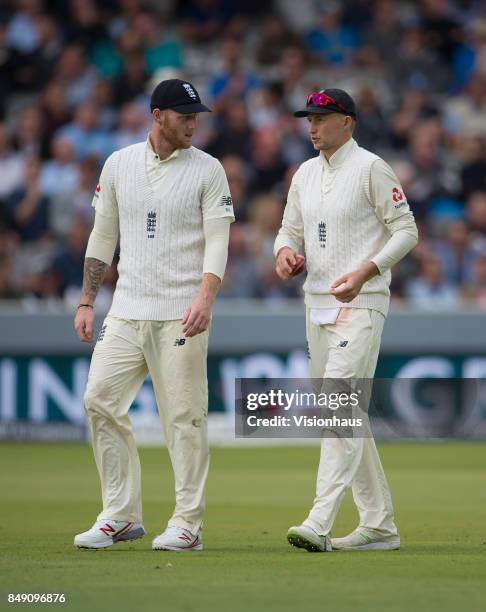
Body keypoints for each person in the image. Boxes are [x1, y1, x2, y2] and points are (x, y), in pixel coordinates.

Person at [73, 79, 234, 551]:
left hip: (181, 311)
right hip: (126, 310)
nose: (193, 124)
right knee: (99, 399)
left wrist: (205, 298)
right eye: (185, 116)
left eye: (196, 117)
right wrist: (87, 301)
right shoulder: (119, 164)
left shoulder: (209, 169)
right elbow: (103, 236)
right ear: (158, 115)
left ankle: (188, 523)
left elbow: (218, 240)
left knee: (184, 417)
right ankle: (120, 515)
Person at [274, 89, 418, 552]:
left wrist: (367, 271)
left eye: (321, 118)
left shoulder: (371, 167)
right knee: (345, 413)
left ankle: (319, 520)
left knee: (338, 405)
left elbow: (407, 230)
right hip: (316, 304)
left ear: (348, 122)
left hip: (362, 301)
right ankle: (379, 526)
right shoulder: (304, 173)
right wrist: (284, 255)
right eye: (309, 119)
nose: (312, 127)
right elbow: (288, 231)